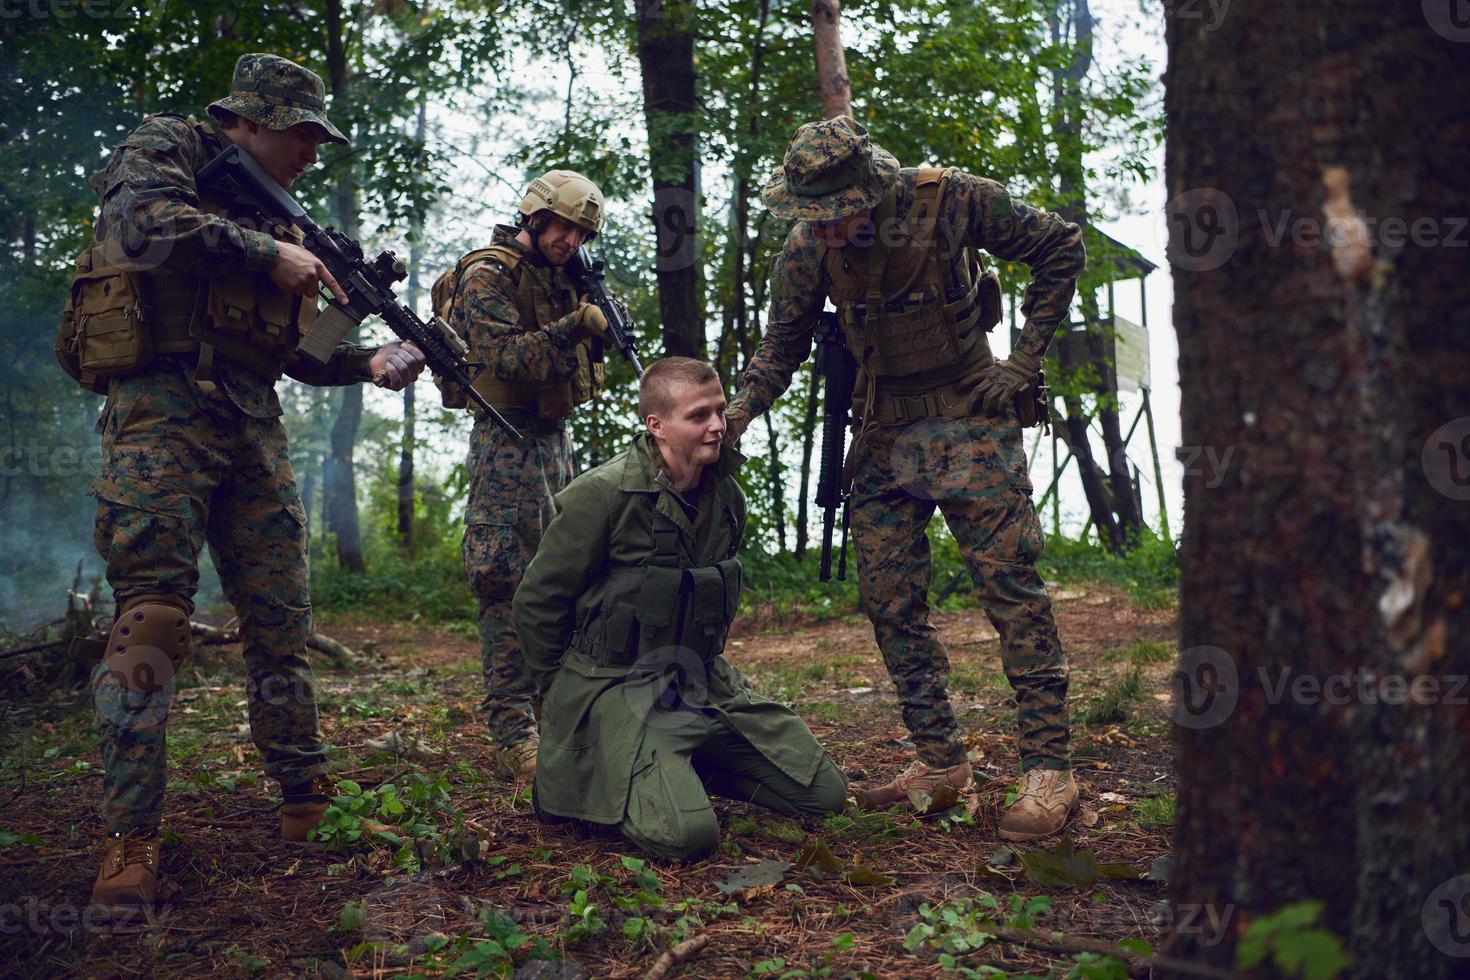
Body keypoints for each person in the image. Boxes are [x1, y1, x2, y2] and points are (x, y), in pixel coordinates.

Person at [68, 52, 426, 920]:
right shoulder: (171, 150)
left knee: (280, 612)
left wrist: (367, 361)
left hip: (249, 419)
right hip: (159, 410)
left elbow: (295, 356)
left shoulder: (285, 223)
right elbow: (143, 224)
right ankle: (130, 836)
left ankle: (304, 795)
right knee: (152, 613)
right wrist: (269, 251)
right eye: (302, 134)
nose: (312, 152)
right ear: (250, 122)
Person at [723, 115, 1086, 841]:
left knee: (1009, 589)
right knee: (888, 601)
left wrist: (1023, 362)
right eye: (812, 220)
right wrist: (733, 415)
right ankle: (940, 761)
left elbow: (1060, 246)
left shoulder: (951, 201)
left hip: (969, 419)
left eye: (835, 218)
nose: (823, 231)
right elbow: (779, 349)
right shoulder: (807, 252)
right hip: (884, 432)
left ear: (868, 193)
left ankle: (1051, 768)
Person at [512, 357, 847, 859]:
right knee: (688, 838)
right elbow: (538, 602)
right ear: (657, 425)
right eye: (699, 416)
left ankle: (680, 769)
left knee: (823, 794)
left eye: (718, 410)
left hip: (698, 680)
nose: (717, 424)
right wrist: (562, 697)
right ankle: (614, 773)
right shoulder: (601, 496)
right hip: (616, 685)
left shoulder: (726, 495)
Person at [437, 170, 612, 777]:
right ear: (534, 217)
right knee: (502, 575)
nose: (571, 239)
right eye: (563, 226)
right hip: (503, 435)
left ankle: (556, 712)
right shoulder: (487, 272)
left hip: (551, 436)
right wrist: (576, 326)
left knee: (558, 573)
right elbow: (505, 356)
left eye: (581, 231)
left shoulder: (566, 276)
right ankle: (513, 730)